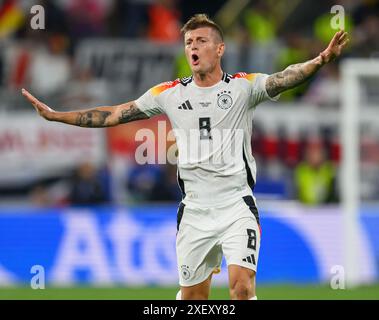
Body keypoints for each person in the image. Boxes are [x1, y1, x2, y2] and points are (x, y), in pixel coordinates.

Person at [22, 14, 349, 300]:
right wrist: (58, 115)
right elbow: (115, 114)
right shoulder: (169, 93)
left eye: (201, 40)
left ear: (219, 49)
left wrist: (319, 60)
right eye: (188, 41)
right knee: (195, 297)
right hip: (194, 210)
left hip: (236, 205)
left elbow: (284, 77)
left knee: (242, 288)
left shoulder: (242, 87)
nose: (192, 46)